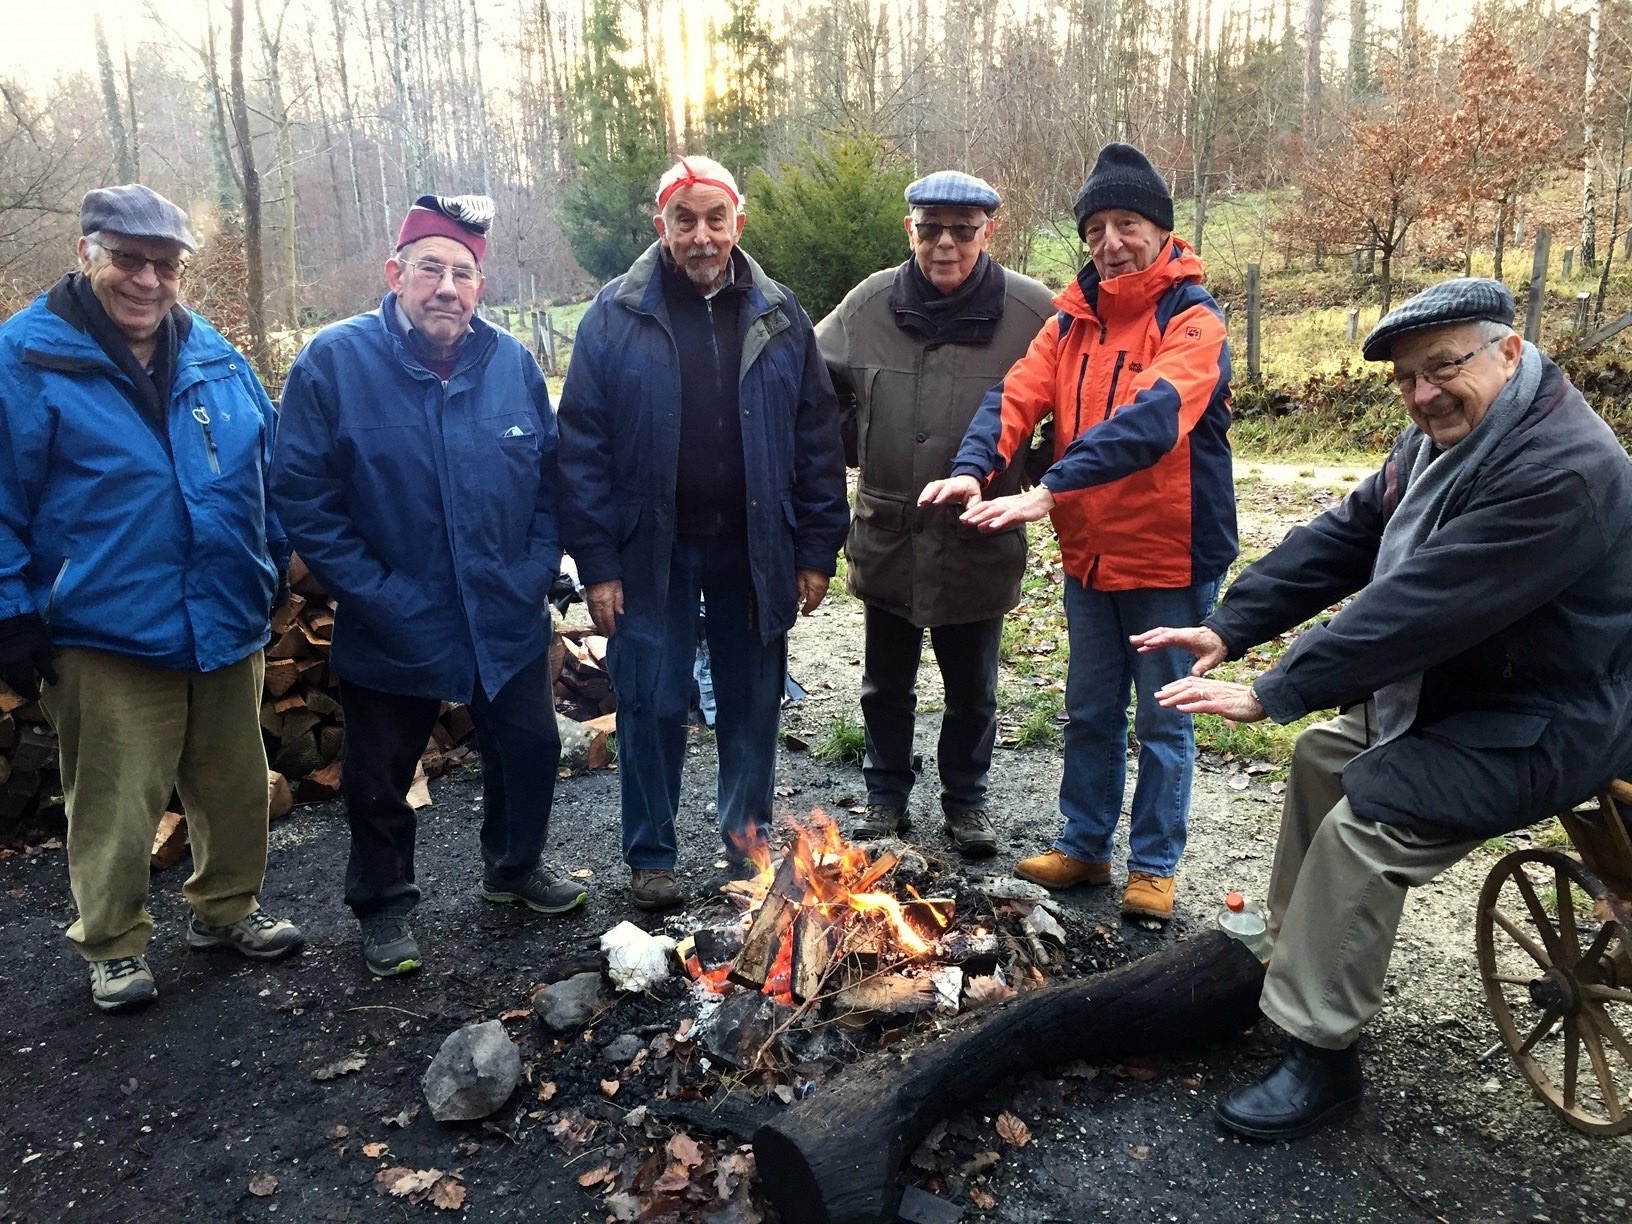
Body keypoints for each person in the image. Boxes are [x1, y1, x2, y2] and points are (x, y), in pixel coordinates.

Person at [1137, 278, 1632, 1139]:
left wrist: (1277, 689)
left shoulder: (1565, 469)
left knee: (1368, 826)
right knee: (1323, 756)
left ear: (1508, 352)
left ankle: (1321, 1056)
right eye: (1406, 379)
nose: (1423, 393)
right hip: (1470, 691)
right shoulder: (1443, 441)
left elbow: (1425, 604)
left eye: (1443, 368)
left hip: (1550, 715)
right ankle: (1288, 958)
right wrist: (1232, 626)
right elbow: (1345, 533)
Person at [0, 184, 303, 1013]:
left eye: (164, 265)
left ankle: (227, 907)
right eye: (127, 260)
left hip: (224, 612)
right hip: (104, 627)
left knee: (236, 782)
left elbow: (266, 467)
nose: (146, 280)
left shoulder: (212, 352)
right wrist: (11, 609)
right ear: (84, 252)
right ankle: (113, 943)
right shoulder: (23, 360)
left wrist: (272, 557)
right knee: (114, 802)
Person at [920, 143, 1236, 921]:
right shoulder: (1072, 321)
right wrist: (974, 466)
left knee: (1166, 721)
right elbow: (1016, 395)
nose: (1111, 241)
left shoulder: (1194, 320)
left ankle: (1154, 865)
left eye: (1127, 222)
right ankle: (1086, 846)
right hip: (1090, 559)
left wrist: (1050, 488)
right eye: (1096, 227)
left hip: (1170, 556)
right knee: (1091, 709)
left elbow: (1152, 421)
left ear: (1160, 230)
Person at [272, 194, 578, 979]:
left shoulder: (510, 363)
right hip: (393, 614)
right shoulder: (334, 363)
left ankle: (513, 869)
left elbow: (550, 484)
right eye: (430, 269)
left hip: (502, 608)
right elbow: (304, 496)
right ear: (395, 274)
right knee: (378, 778)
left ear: (482, 285)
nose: (447, 286)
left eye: (463, 273)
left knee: (532, 748)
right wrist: (375, 592)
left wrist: (533, 569)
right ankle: (383, 908)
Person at [557, 156, 848, 909]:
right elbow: (581, 446)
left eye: (715, 218)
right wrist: (597, 563)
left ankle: (745, 847)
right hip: (649, 550)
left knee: (751, 702)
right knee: (650, 700)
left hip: (755, 546)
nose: (701, 235)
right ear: (661, 227)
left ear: (738, 224)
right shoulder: (614, 317)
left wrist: (816, 551)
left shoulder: (780, 315)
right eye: (684, 219)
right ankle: (652, 856)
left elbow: (818, 439)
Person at [816, 171, 1054, 857]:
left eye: (963, 230)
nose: (945, 244)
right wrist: (852, 442)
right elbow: (812, 386)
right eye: (930, 228)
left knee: (973, 689)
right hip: (890, 535)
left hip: (978, 541)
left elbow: (1073, 406)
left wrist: (1031, 477)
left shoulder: (1032, 312)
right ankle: (885, 796)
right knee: (883, 684)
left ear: (990, 232)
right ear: (909, 230)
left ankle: (966, 803)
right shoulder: (866, 306)